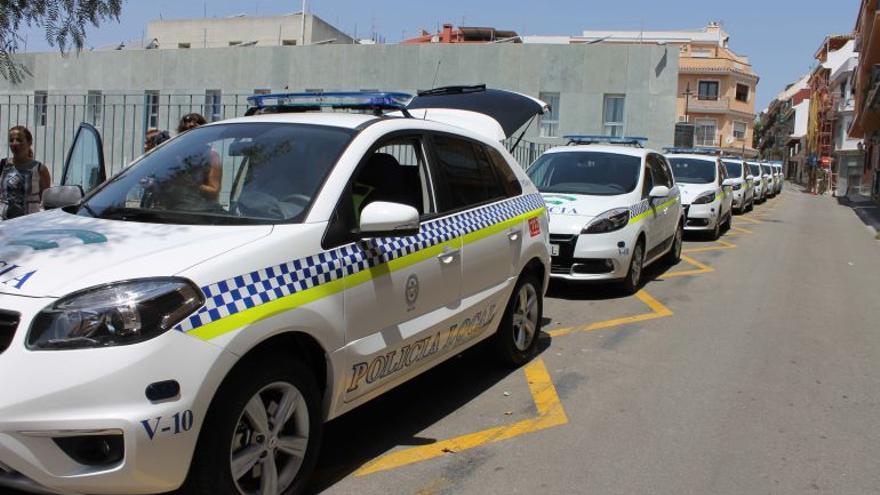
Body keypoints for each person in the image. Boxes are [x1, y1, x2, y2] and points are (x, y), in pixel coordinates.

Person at [0, 126, 51, 220]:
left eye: (19, 140)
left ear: (29, 142)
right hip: (4, 225)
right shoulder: (3, 165)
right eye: (11, 140)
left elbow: (45, 201)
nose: (14, 143)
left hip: (29, 224)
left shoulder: (39, 169)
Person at [173, 113, 222, 202]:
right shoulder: (174, 154)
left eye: (194, 131)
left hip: (201, 208)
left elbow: (214, 191)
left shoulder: (211, 155)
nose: (189, 136)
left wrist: (192, 185)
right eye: (185, 131)